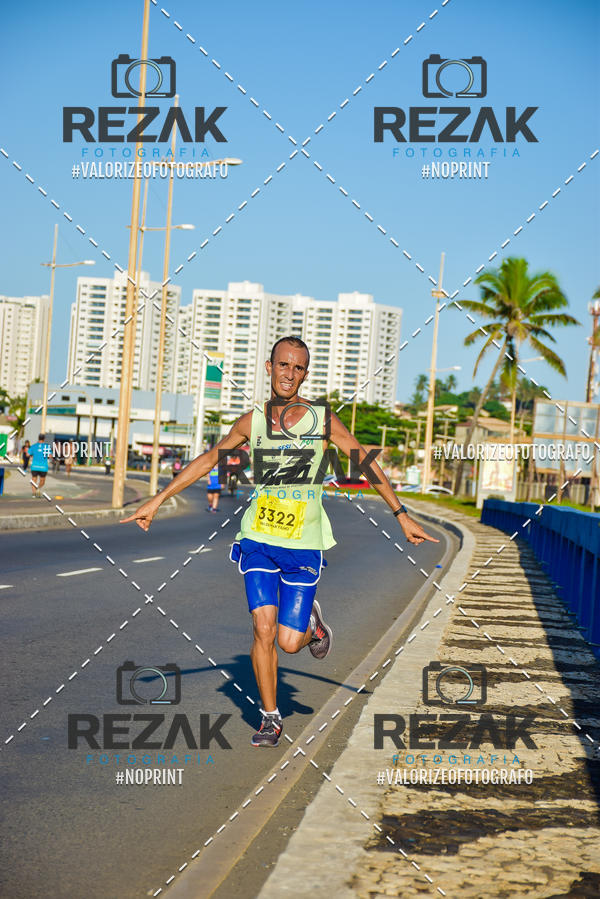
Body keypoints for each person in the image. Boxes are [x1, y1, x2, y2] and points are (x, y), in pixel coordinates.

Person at [121, 337, 438, 748]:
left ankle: (311, 626)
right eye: (283, 365)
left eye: (299, 368)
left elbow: (365, 460)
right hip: (258, 540)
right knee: (263, 629)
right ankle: (270, 717)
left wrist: (401, 514)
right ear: (268, 367)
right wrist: (158, 499)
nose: (290, 374)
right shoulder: (251, 422)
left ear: (306, 373)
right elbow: (208, 458)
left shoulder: (322, 420)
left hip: (303, 545)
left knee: (290, 643)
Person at [28, 433, 51, 497]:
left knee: (34, 480)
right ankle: (37, 489)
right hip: (43, 467)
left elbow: (28, 454)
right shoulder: (47, 446)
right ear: (44, 439)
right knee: (42, 481)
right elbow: (50, 455)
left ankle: (34, 493)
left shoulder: (33, 446)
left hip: (34, 466)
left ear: (38, 438)